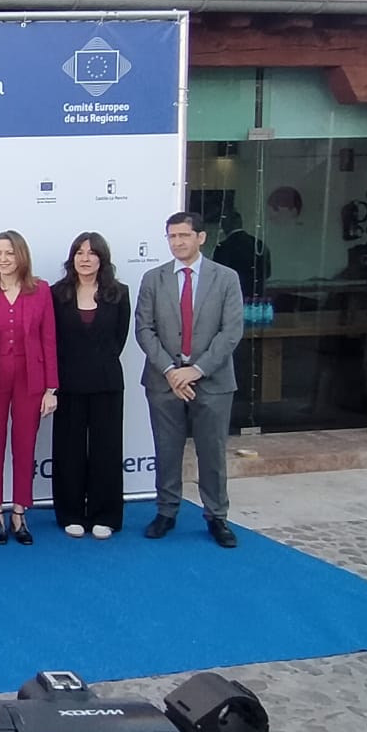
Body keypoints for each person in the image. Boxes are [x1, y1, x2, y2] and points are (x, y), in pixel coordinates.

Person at [137, 211, 246, 548]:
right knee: (166, 450)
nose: (177, 242)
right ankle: (166, 511)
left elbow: (231, 332)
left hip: (211, 382)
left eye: (184, 235)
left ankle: (217, 516)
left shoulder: (225, 278)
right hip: (164, 380)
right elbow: (144, 329)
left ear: (201, 237)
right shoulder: (153, 279)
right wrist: (171, 370)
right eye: (171, 236)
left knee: (211, 452)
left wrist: (196, 370)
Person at [0, 230, 59, 546]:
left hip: (29, 380)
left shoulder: (41, 290)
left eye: (9, 253)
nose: (3, 259)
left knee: (24, 445)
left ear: (21, 255)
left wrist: (51, 388)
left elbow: (48, 339)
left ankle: (20, 511)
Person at [51, 232, 133, 539]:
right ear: (72, 258)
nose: (85, 258)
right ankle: (70, 512)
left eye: (92, 253)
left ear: (103, 258)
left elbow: (119, 339)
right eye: (79, 252)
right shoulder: (57, 293)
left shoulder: (119, 292)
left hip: (106, 383)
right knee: (68, 450)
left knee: (106, 451)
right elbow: (53, 340)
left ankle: (105, 514)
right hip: (68, 384)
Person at [211, 210, 272, 301]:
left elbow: (218, 275)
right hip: (256, 297)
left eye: (223, 223)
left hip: (231, 296)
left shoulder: (223, 247)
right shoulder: (258, 244)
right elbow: (267, 272)